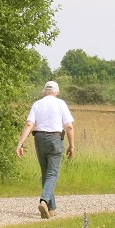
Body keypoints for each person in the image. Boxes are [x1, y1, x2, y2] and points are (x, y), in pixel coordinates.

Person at [15, 80, 75, 219]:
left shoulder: (37, 104)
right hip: (55, 138)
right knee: (52, 174)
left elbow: (29, 123)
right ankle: (44, 200)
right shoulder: (61, 104)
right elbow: (69, 126)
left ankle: (51, 209)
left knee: (45, 172)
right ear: (57, 93)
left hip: (39, 139)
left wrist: (20, 144)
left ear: (44, 91)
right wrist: (72, 145)